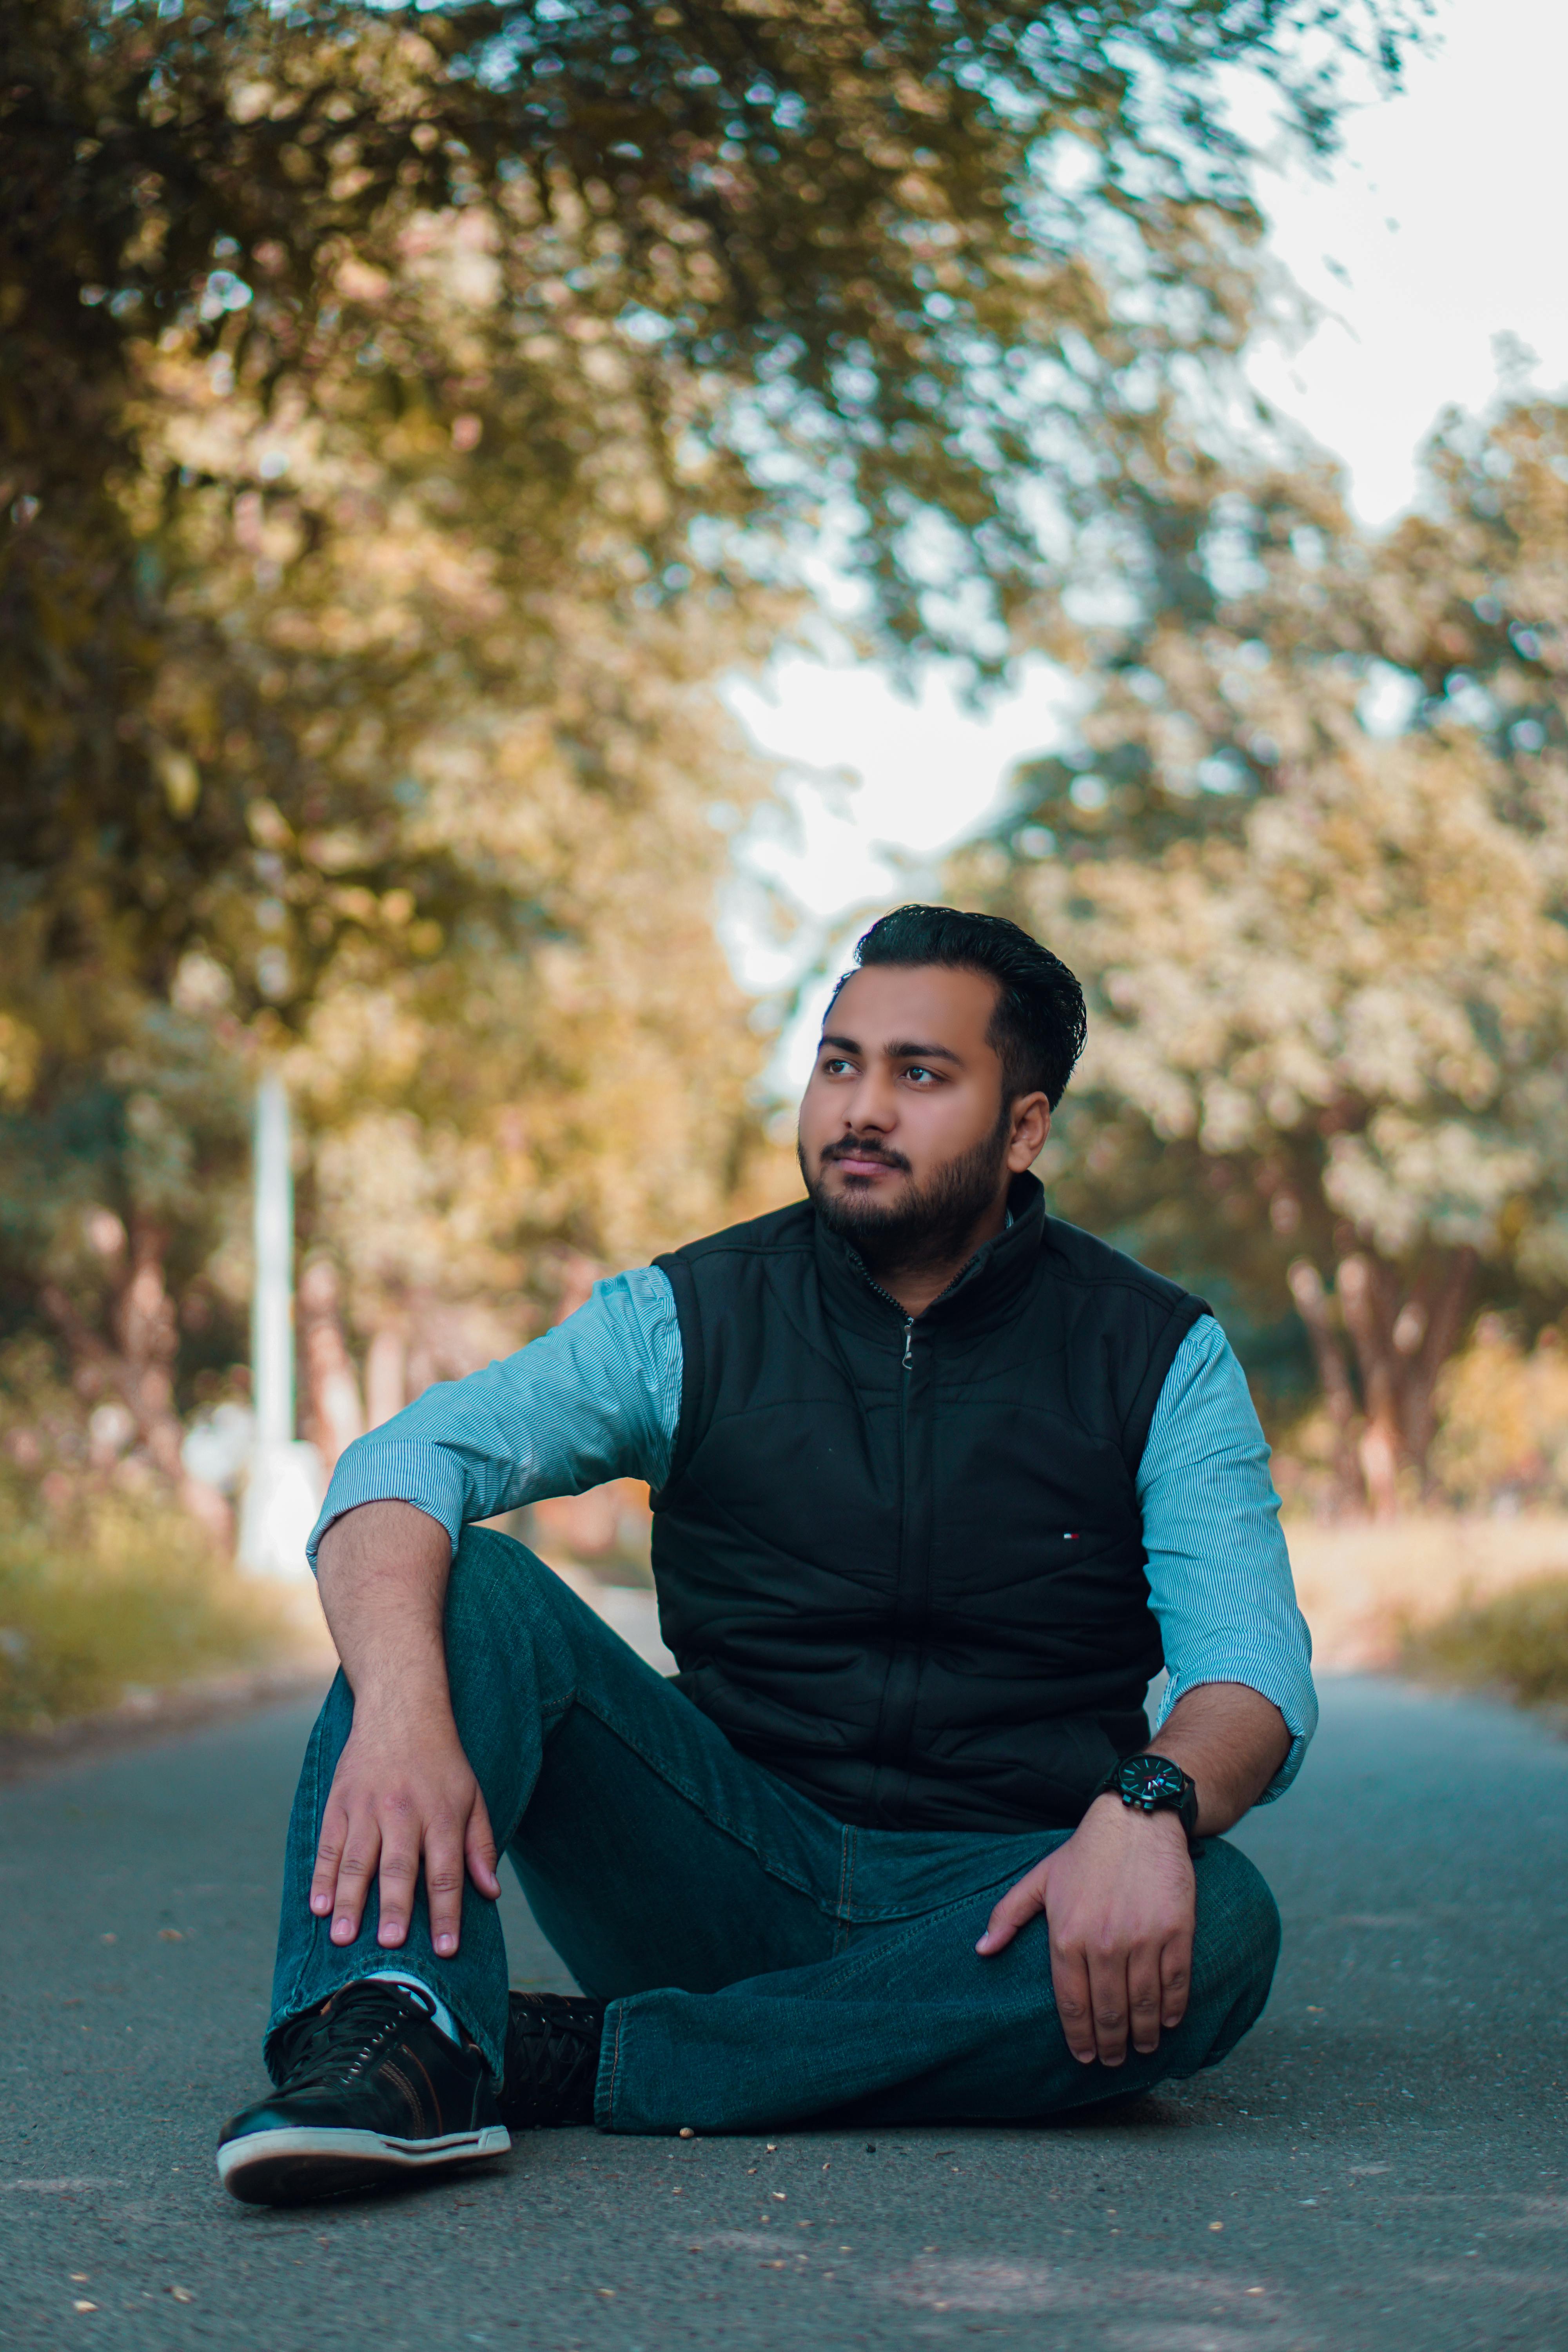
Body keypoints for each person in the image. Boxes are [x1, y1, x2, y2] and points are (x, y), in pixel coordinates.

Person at [216, 904, 1314, 2206]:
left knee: (1223, 1919)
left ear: (1024, 1126)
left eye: (921, 1074)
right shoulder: (688, 1318)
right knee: (473, 1588)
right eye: (840, 1063)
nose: (861, 1107)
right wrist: (403, 1714)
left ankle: (565, 2057)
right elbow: (402, 1467)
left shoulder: (1156, 1354)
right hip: (715, 1861)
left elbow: (1249, 1677)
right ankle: (388, 2039)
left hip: (997, 1894)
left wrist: (1145, 1810)